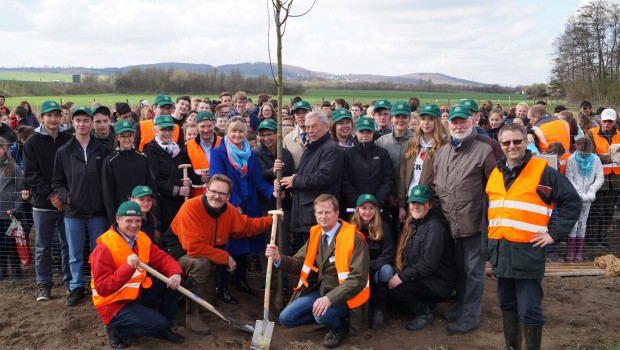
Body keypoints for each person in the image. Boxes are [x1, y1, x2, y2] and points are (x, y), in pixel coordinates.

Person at [483, 122, 580, 350]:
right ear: (500, 144)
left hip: (528, 253)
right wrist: (487, 248)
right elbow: (489, 214)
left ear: (526, 141)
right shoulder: (495, 174)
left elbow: (572, 202)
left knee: (529, 309)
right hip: (501, 251)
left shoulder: (543, 171)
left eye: (517, 141)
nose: (512, 146)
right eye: (506, 142)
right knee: (506, 304)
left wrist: (553, 234)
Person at [162, 174, 274, 335]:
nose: (217, 196)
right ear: (206, 191)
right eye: (213, 191)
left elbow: (246, 226)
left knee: (208, 301)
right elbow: (193, 248)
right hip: (177, 255)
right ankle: (191, 315)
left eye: (222, 194)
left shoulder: (228, 211)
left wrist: (271, 220)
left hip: (205, 256)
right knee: (200, 264)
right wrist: (225, 257)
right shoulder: (191, 208)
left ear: (228, 197)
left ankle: (183, 296)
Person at [265, 194, 370, 349]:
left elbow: (358, 280)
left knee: (321, 314)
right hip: (320, 292)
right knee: (286, 319)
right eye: (319, 212)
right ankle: (325, 317)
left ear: (337, 213)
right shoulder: (315, 233)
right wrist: (278, 258)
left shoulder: (354, 238)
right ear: (314, 214)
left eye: (327, 212)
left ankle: (339, 327)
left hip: (345, 297)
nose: (323, 216)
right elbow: (299, 263)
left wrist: (329, 299)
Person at [433, 104, 502, 334]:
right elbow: (436, 186)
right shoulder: (443, 152)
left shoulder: (485, 150)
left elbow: (497, 190)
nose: (458, 125)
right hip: (451, 223)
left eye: (463, 121)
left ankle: (470, 316)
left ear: (473, 121)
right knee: (460, 269)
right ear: (448, 124)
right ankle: (461, 307)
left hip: (474, 223)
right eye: (454, 122)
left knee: (474, 272)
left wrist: (491, 221)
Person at [90, 201, 185, 348]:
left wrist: (175, 273)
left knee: (174, 283)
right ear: (118, 219)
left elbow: (162, 258)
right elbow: (102, 288)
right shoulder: (105, 247)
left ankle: (164, 327)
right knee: (158, 323)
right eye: (128, 221)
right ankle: (116, 330)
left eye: (138, 221)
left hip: (136, 294)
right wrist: (128, 267)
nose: (134, 225)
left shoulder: (141, 238)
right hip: (114, 304)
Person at [209, 119, 275, 302]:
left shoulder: (250, 154)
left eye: (241, 132)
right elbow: (217, 180)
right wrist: (234, 203)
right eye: (234, 132)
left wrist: (272, 192)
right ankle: (222, 287)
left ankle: (241, 280)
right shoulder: (218, 153)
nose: (237, 135)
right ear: (227, 132)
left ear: (246, 133)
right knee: (228, 245)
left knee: (245, 244)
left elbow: (258, 179)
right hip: (229, 205)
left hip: (249, 205)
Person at [388, 185, 456, 331]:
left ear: (430, 205)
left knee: (397, 289)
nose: (415, 207)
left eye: (420, 203)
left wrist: (402, 277)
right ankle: (427, 303)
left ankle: (424, 314)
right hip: (426, 277)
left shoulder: (435, 227)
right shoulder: (413, 223)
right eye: (413, 203)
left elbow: (428, 264)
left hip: (439, 282)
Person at [23, 100, 73, 301]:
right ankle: (43, 284)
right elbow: (31, 174)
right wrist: (51, 195)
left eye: (56, 115)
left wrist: (63, 195)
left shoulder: (69, 139)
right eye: (49, 115)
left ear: (61, 117)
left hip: (66, 203)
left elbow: (71, 171)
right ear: (41, 117)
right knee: (43, 246)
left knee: (67, 244)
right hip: (43, 204)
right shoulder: (32, 142)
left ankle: (71, 282)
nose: (53, 119)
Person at [276, 111, 344, 254]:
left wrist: (295, 180)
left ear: (326, 127)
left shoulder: (331, 149)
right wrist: (285, 184)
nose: (309, 131)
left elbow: (324, 177)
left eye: (314, 127)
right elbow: (302, 174)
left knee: (316, 257)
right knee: (306, 257)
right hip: (304, 212)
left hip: (317, 214)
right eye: (307, 127)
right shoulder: (311, 147)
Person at [349, 194, 394, 330]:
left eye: (371, 208)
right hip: (357, 270)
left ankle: (379, 311)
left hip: (376, 269)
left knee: (388, 270)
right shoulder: (350, 227)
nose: (367, 212)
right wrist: (360, 267)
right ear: (357, 209)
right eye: (363, 208)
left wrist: (370, 266)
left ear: (376, 210)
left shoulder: (383, 226)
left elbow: (388, 254)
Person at [143, 115, 194, 233]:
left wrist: (190, 181)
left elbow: (189, 172)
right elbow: (155, 179)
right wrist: (177, 190)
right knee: (169, 233)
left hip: (181, 202)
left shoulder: (178, 149)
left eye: (170, 130)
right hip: (163, 203)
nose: (167, 133)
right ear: (155, 130)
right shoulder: (150, 151)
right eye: (163, 130)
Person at [398, 103, 447, 222]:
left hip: (430, 203)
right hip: (411, 201)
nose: (426, 122)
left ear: (438, 121)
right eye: (423, 118)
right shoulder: (412, 143)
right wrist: (401, 205)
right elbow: (403, 174)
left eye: (431, 119)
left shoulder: (444, 145)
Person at [102, 119, 157, 224]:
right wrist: (113, 219)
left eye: (130, 135)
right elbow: (107, 192)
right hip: (122, 215)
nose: (127, 139)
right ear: (117, 137)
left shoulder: (143, 158)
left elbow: (151, 184)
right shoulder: (110, 160)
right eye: (123, 136)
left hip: (142, 214)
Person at [376, 101, 415, 240]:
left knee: (409, 234)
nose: (400, 120)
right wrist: (388, 195)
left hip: (411, 198)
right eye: (397, 116)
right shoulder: (381, 142)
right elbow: (379, 173)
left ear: (409, 119)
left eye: (404, 117)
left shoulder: (416, 141)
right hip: (388, 198)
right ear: (392, 118)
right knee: (389, 234)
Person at [341, 116, 395, 215]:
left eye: (369, 132)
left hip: (378, 208)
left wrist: (376, 203)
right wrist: (359, 203)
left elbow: (388, 179)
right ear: (356, 132)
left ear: (373, 133)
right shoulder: (348, 154)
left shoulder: (382, 153)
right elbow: (345, 181)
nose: (365, 135)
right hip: (355, 208)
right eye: (362, 132)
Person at [584, 108, 620, 247]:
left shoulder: (619, 135)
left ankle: (602, 236)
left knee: (609, 209)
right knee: (596, 208)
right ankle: (591, 236)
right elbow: (589, 154)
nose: (607, 123)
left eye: (610, 121)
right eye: (605, 121)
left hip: (615, 180)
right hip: (598, 179)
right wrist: (609, 157)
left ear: (614, 121)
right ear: (601, 120)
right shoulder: (591, 134)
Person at [565, 138, 604, 262]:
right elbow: (569, 177)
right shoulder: (571, 159)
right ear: (577, 148)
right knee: (573, 224)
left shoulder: (596, 159)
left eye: (586, 153)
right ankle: (571, 252)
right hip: (574, 196)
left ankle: (579, 253)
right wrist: (579, 192)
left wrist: (592, 191)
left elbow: (600, 177)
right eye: (582, 152)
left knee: (582, 223)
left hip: (588, 198)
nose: (583, 154)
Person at [0, 137, 27, 280]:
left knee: (11, 243)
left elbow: (21, 189)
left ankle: (16, 270)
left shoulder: (13, 167)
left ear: (4, 149)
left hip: (9, 214)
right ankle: (2, 270)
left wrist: (16, 208)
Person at [182, 111, 222, 197]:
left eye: (209, 126)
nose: (206, 130)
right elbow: (186, 171)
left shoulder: (223, 143)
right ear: (197, 127)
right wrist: (199, 179)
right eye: (202, 126)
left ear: (214, 125)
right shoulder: (188, 146)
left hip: (219, 195)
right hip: (197, 196)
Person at [283, 100, 312, 168]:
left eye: (304, 112)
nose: (301, 116)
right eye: (297, 113)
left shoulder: (319, 136)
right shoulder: (287, 139)